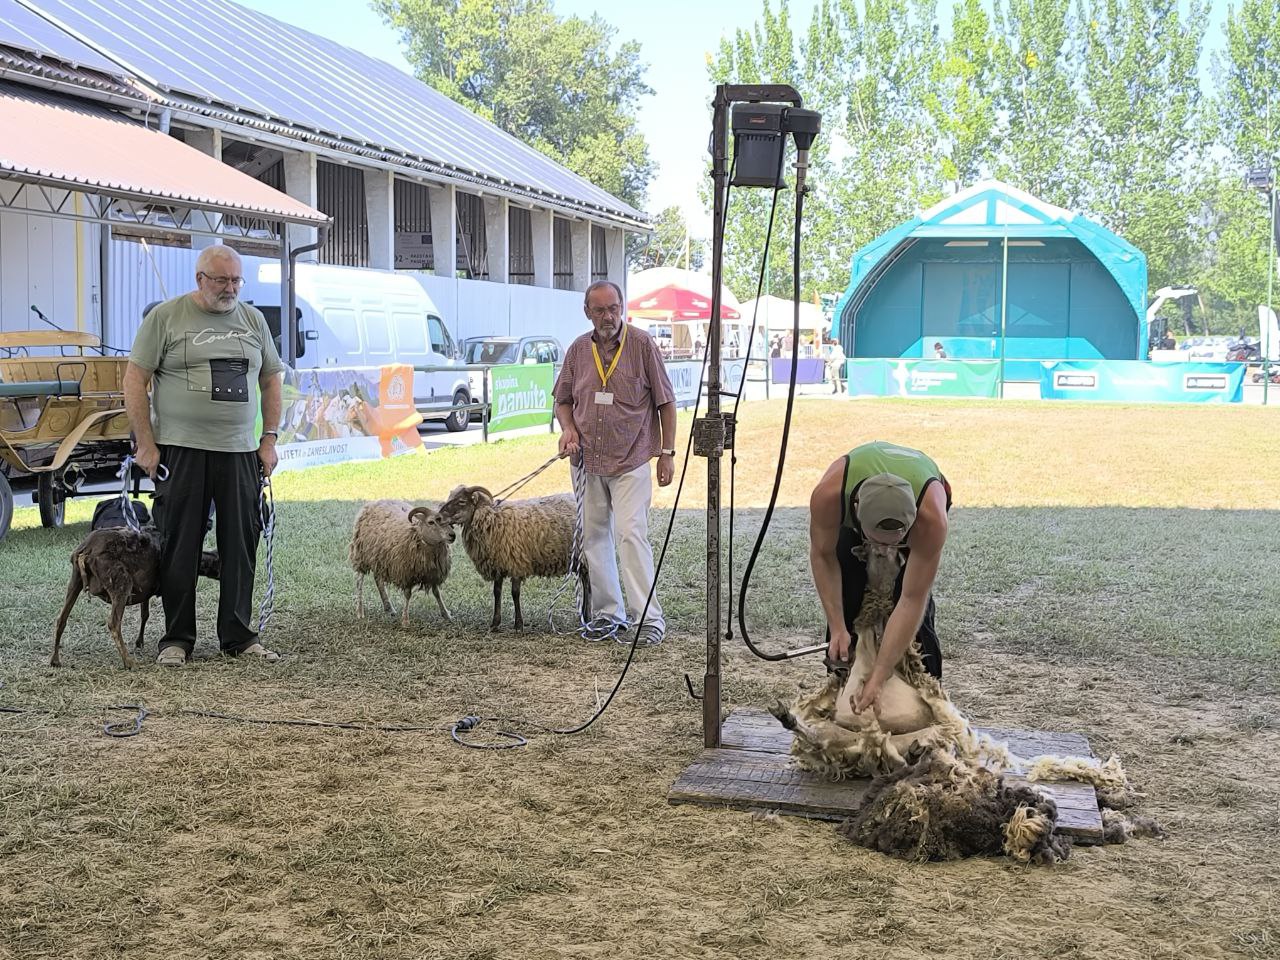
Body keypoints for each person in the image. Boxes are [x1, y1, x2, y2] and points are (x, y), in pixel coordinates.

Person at [123, 244, 284, 666]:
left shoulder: (252, 321)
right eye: (221, 281)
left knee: (241, 540)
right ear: (200, 280)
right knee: (180, 543)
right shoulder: (166, 317)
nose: (230, 289)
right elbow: (135, 378)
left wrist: (268, 439)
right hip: (180, 449)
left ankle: (239, 636)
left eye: (236, 281)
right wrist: (145, 442)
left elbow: (271, 380)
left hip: (238, 451)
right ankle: (176, 639)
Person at [554, 281, 677, 646]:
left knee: (630, 533)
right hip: (586, 460)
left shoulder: (641, 344)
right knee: (593, 539)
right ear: (587, 312)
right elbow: (562, 400)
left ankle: (649, 619)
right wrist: (568, 429)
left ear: (622, 307)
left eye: (613, 308)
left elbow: (666, 402)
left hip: (632, 460)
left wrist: (667, 453)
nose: (608, 316)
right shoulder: (577, 350)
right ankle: (610, 616)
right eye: (600, 310)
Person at [808, 440, 951, 714]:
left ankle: (928, 692)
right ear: (857, 510)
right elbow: (823, 556)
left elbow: (912, 598)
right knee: (849, 591)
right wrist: (837, 626)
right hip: (853, 517)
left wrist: (879, 674)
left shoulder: (931, 519)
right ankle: (841, 680)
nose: (884, 551)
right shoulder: (830, 496)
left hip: (920, 505)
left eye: (894, 543)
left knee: (914, 615)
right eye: (878, 541)